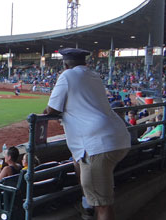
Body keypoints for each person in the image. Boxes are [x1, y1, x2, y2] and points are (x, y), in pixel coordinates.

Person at [43, 48, 130, 220]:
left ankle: (90, 205)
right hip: (117, 137)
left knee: (103, 204)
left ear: (66, 64)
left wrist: (45, 111)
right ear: (85, 62)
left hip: (97, 144)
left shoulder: (67, 76)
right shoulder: (94, 76)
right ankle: (87, 205)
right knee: (85, 173)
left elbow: (51, 109)